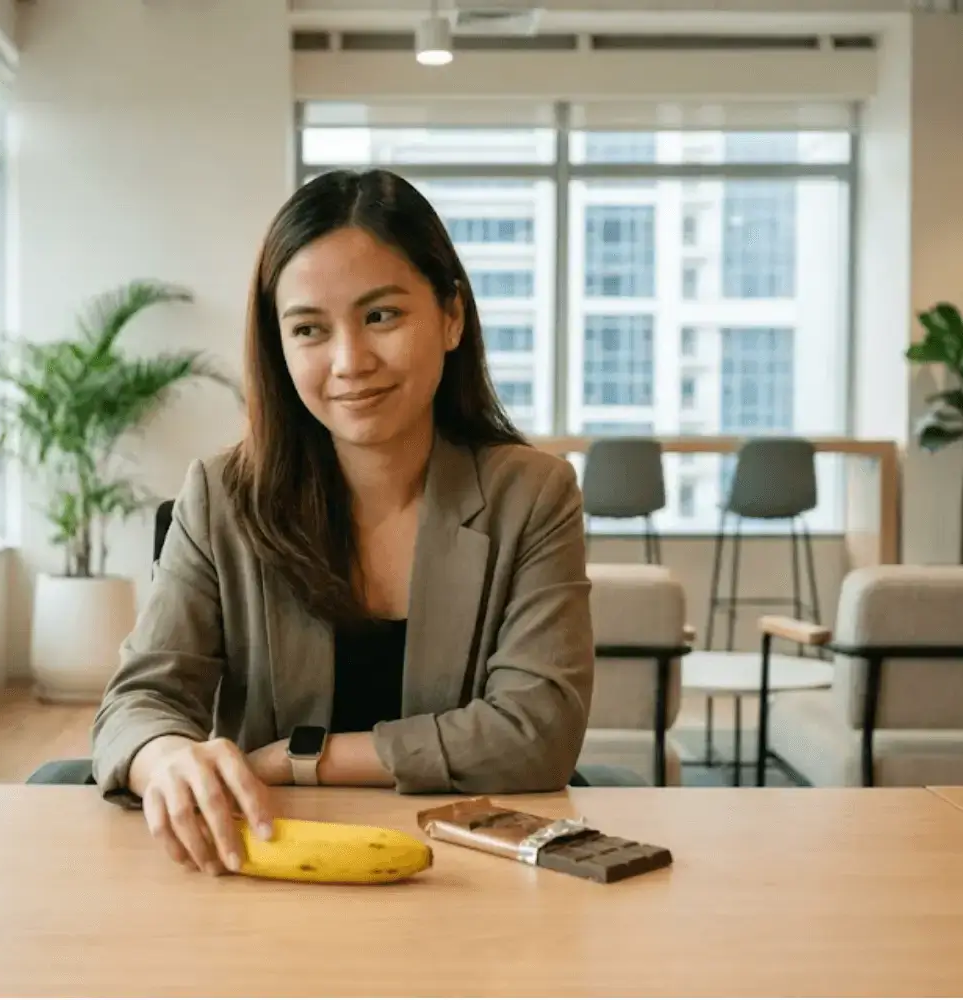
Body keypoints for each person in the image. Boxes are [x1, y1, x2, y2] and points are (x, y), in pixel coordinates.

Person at [86, 168, 598, 875]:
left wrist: (304, 759)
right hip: (266, 865)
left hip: (474, 875)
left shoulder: (533, 495)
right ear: (279, 346)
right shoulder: (221, 496)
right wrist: (165, 756)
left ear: (451, 316)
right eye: (309, 329)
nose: (350, 362)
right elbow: (140, 702)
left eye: (381, 315)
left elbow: (536, 732)